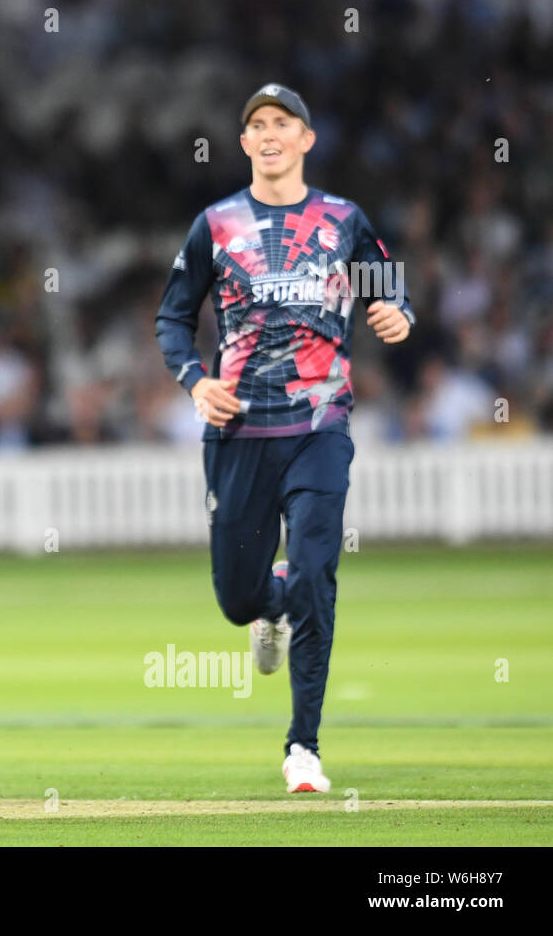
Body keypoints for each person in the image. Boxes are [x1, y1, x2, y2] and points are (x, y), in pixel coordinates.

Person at [154, 84, 414, 793]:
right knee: (237, 600)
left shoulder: (343, 219)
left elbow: (390, 289)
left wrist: (398, 314)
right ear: (244, 143)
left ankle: (304, 747)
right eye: (258, 125)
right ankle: (268, 604)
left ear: (306, 139)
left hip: (319, 427)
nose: (270, 134)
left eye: (283, 123)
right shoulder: (215, 224)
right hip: (237, 431)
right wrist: (195, 380)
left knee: (316, 575)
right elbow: (172, 318)